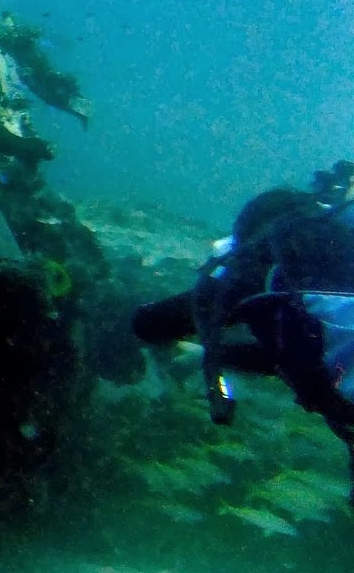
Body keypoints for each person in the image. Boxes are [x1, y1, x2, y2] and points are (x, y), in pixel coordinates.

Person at [132, 162, 354, 508]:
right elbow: (292, 354)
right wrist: (209, 354)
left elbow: (151, 324)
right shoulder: (335, 246)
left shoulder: (267, 258)